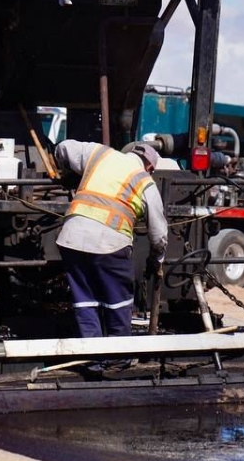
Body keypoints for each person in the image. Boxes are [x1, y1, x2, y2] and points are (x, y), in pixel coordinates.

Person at [53, 140, 168, 338]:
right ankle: (117, 358)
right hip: (110, 244)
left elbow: (63, 148)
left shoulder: (99, 154)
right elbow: (159, 235)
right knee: (118, 303)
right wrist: (156, 260)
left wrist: (68, 173)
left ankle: (93, 359)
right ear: (149, 167)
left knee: (85, 302)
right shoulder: (144, 181)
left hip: (71, 238)